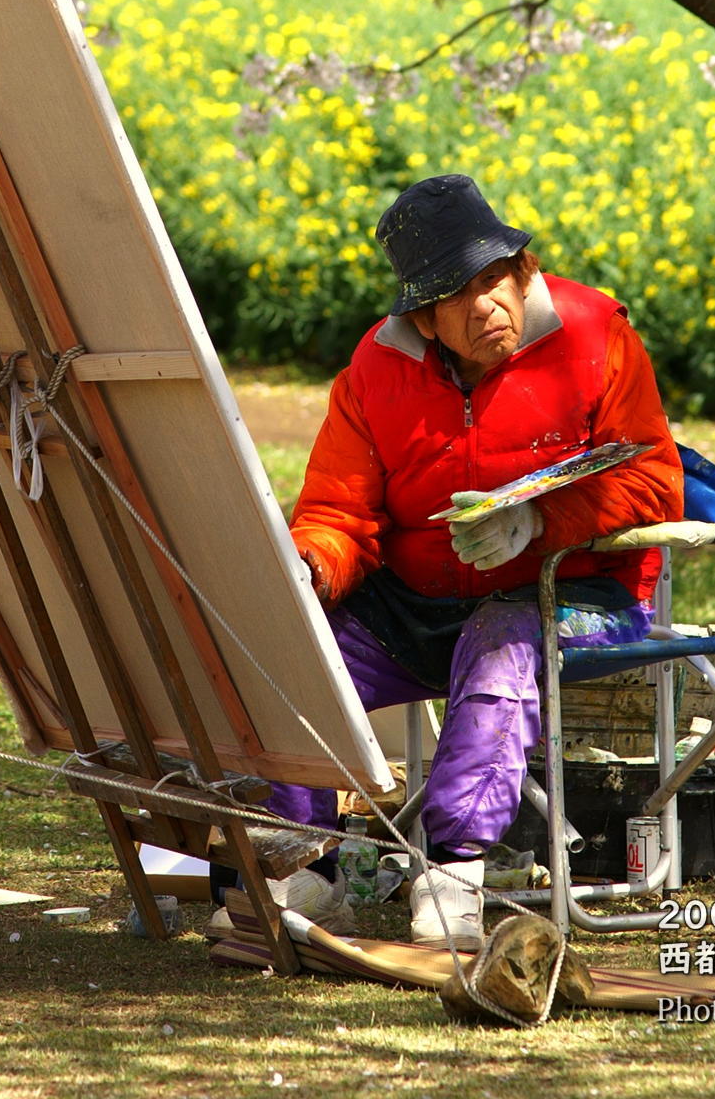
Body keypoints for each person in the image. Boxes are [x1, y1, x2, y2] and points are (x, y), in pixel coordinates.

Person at [274, 174, 683, 947]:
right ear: (423, 320)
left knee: (500, 642)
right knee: (298, 653)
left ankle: (453, 868)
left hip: (573, 592)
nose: (483, 305)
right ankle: (309, 865)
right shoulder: (373, 369)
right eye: (455, 295)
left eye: (493, 279)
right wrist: (312, 568)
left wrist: (541, 521)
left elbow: (654, 482)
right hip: (413, 600)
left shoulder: (596, 334)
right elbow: (337, 511)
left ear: (524, 273)